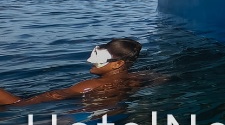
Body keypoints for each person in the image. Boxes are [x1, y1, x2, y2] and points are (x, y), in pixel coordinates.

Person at [0, 39, 144, 106]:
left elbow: (21, 105)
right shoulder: (139, 77)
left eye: (98, 57)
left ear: (118, 63)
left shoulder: (91, 84)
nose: (92, 61)